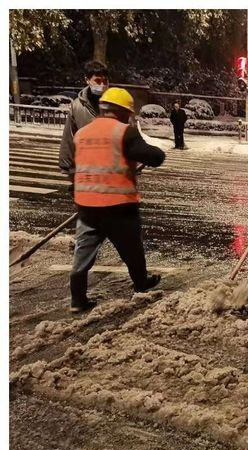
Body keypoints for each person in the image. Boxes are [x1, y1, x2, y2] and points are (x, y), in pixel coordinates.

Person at [69, 87, 165, 312]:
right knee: (132, 248)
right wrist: (158, 154)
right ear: (123, 112)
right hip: (118, 206)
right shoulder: (124, 131)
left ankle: (77, 299)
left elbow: (83, 165)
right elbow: (153, 157)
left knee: (83, 252)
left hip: (86, 204)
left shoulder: (82, 133)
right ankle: (141, 285)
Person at [59, 60, 110, 175]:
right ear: (87, 80)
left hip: (110, 164)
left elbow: (128, 131)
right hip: (86, 164)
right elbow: (69, 134)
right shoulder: (77, 106)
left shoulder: (115, 103)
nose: (102, 85)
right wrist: (65, 164)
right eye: (97, 81)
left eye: (105, 81)